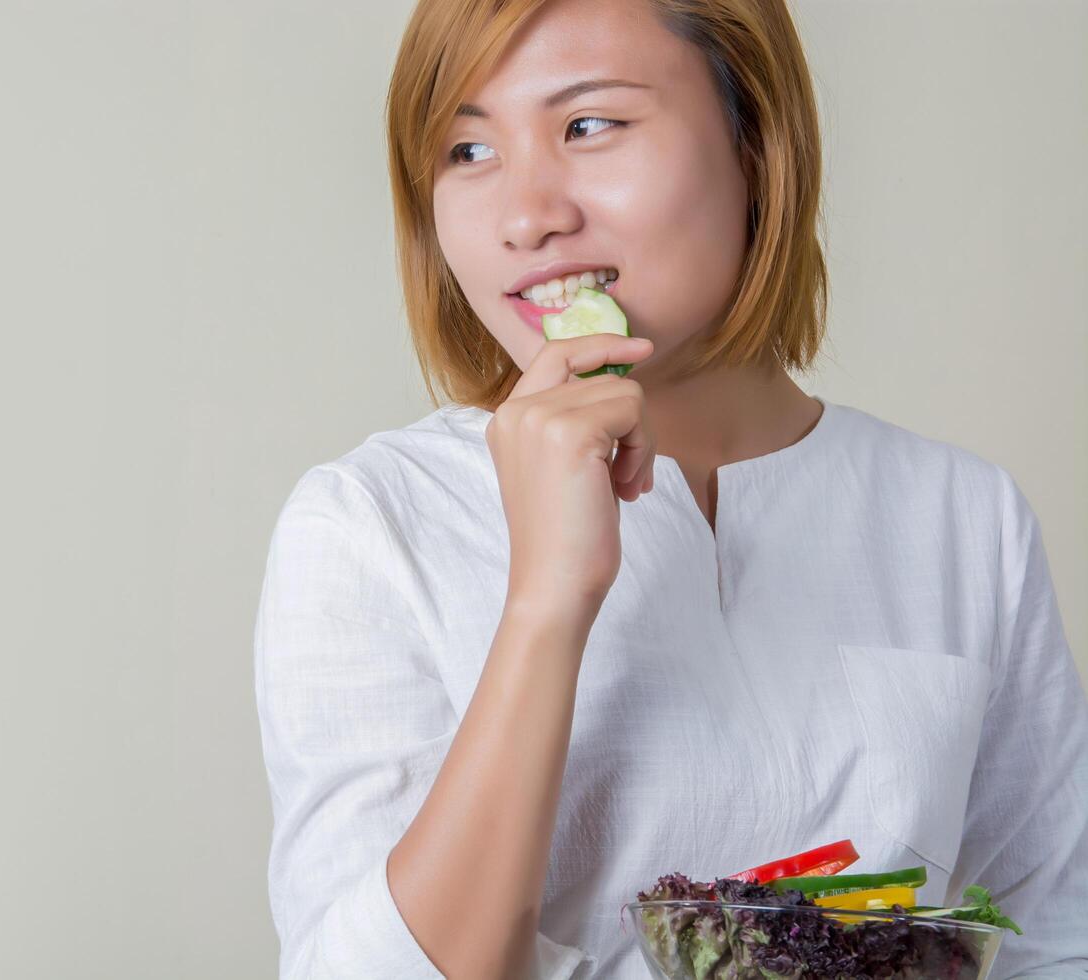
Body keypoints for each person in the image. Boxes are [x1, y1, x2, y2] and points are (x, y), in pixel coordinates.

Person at [252, 0, 1088, 976]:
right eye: (465, 151)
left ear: (756, 141)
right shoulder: (373, 526)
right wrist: (546, 602)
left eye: (588, 125)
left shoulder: (964, 516)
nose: (526, 216)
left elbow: (1053, 934)